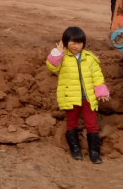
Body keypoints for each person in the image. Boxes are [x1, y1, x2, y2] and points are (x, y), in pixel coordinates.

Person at [46, 27, 111, 164]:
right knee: (72, 123)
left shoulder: (90, 58)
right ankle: (75, 150)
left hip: (88, 97)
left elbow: (97, 76)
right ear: (65, 43)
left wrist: (101, 92)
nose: (76, 46)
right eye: (72, 43)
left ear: (84, 43)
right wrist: (58, 52)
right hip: (70, 96)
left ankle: (94, 153)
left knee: (91, 124)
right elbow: (52, 67)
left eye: (79, 43)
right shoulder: (62, 58)